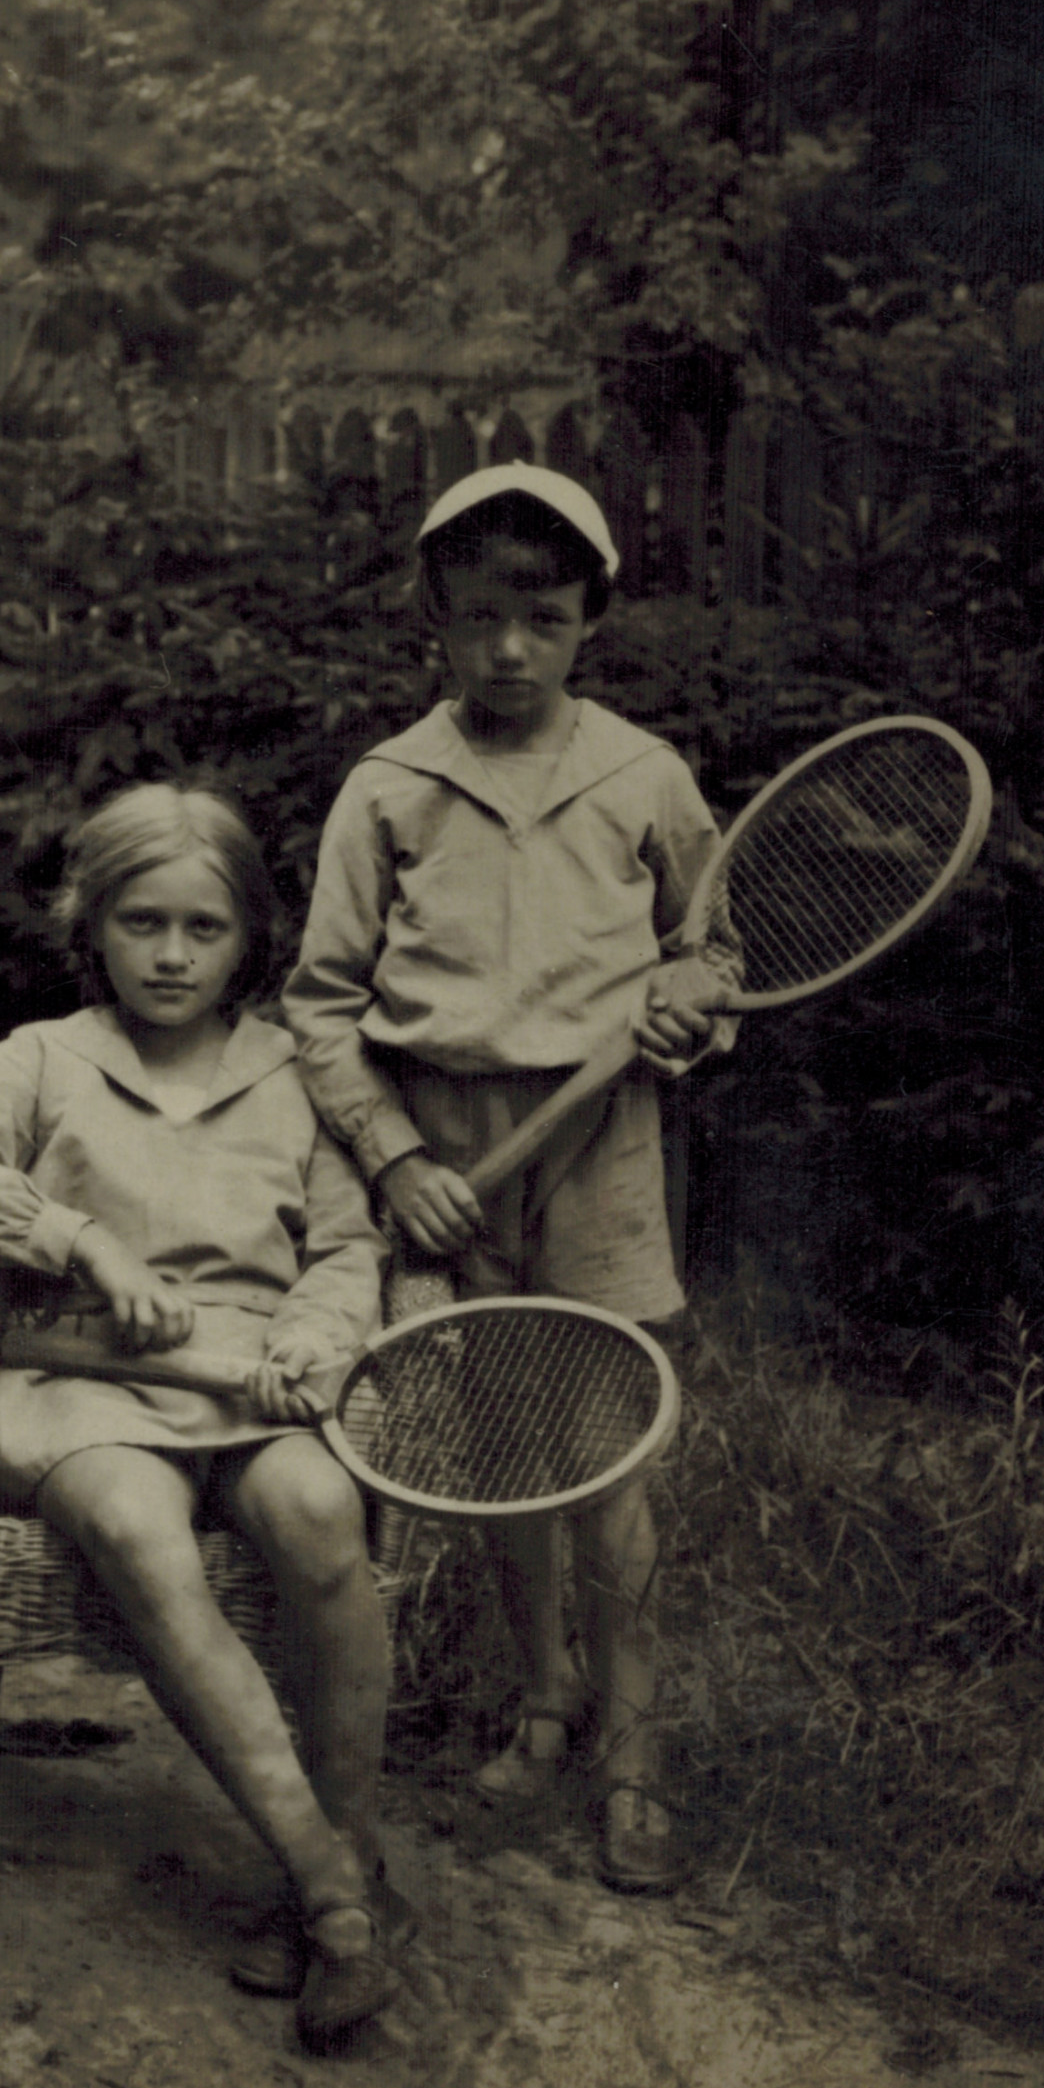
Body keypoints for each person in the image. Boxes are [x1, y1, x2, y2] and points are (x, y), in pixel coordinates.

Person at [0, 784, 413, 2050]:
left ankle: (333, 1853)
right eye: (142, 923)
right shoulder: (44, 1058)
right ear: (94, 929)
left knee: (317, 1504)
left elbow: (347, 1249)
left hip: (253, 1386)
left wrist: (308, 1341)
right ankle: (337, 1895)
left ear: (250, 940)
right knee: (132, 1518)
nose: (172, 955)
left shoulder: (296, 1075)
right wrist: (77, 1243)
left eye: (204, 928)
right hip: (81, 1387)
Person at [283, 464, 735, 1896]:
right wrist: (398, 1156)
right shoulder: (390, 787)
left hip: (598, 1148)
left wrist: (689, 999)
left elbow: (714, 950)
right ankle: (541, 1706)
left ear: (589, 616)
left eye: (541, 616)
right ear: (435, 615)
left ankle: (634, 1755)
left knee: (607, 1456)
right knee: (498, 1460)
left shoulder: (646, 775)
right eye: (480, 617)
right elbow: (320, 1001)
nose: (510, 649)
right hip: (446, 1157)